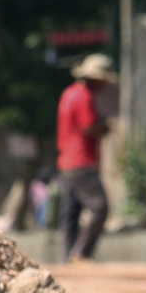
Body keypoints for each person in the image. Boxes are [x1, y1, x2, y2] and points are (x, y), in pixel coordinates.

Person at [55, 53, 118, 261]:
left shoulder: (68, 93)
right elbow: (88, 128)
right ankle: (80, 254)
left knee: (71, 213)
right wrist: (106, 127)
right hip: (81, 162)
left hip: (66, 162)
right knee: (100, 207)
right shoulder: (84, 97)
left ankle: (68, 256)